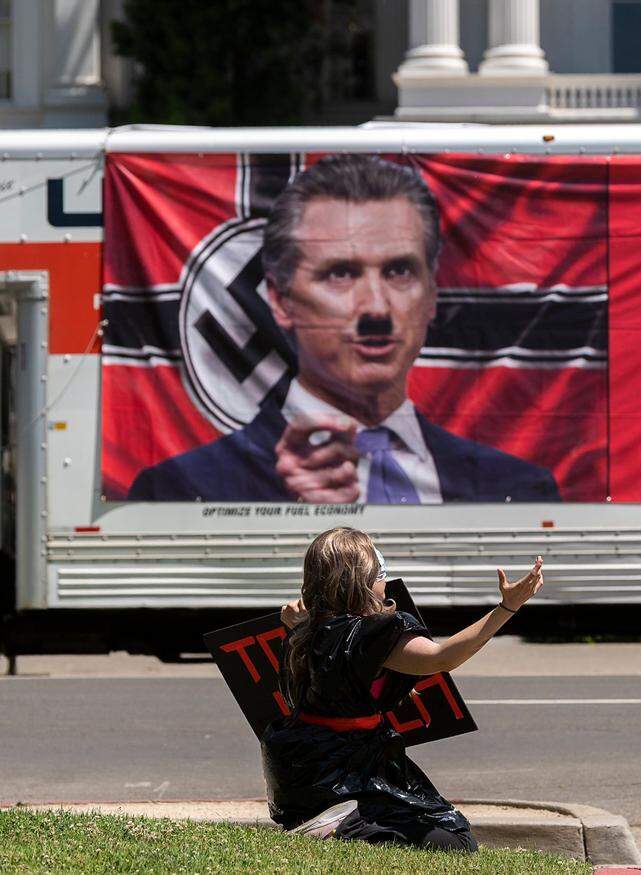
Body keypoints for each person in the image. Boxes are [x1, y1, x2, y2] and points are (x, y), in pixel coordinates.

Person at [128, 155, 560, 503]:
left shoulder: (519, 490)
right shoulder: (184, 490)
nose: (376, 307)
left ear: (431, 295)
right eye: (340, 274)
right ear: (280, 301)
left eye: (399, 271)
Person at [262, 526, 544, 848]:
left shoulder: (304, 629)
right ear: (362, 578)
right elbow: (441, 658)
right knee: (455, 839)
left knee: (434, 824)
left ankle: (332, 820)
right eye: (382, 572)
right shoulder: (369, 634)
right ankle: (341, 829)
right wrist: (507, 608)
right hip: (347, 772)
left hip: (300, 772)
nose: (387, 581)